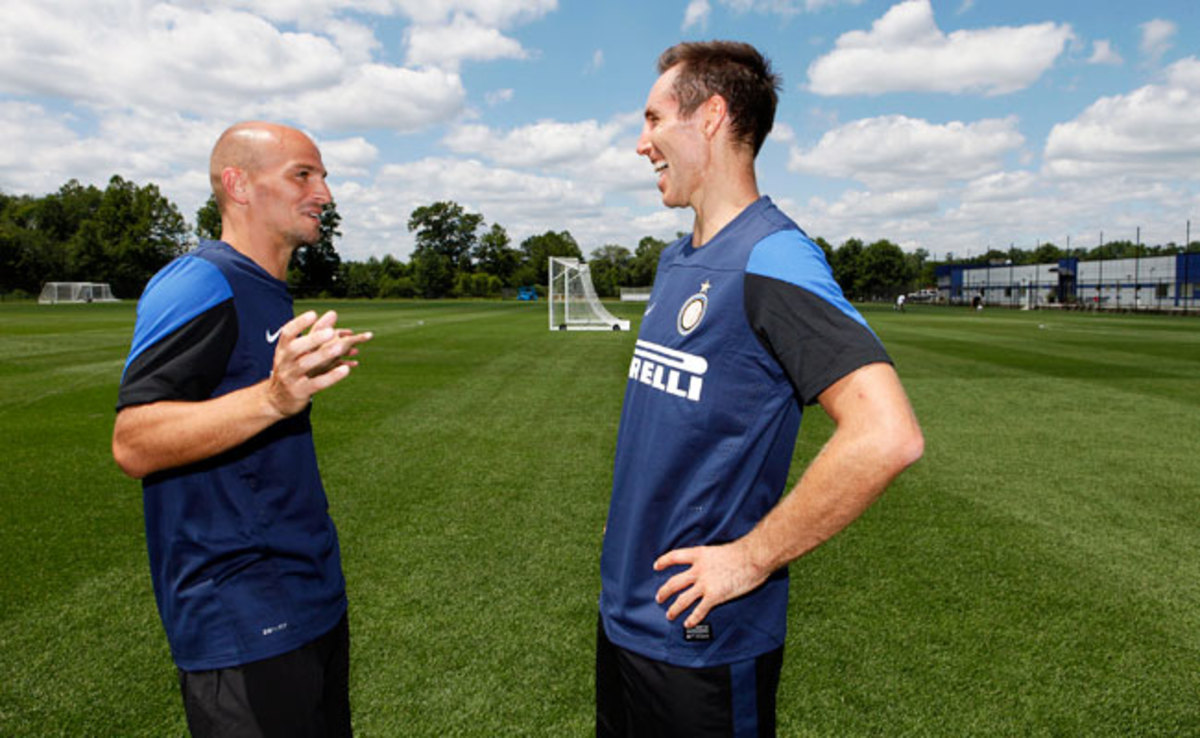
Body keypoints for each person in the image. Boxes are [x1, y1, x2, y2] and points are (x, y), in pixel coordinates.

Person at [597, 42, 924, 737]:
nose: (641, 142)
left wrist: (749, 558)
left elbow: (886, 434)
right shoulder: (677, 258)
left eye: (654, 119)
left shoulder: (772, 256)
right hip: (627, 622)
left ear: (711, 116)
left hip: (701, 644)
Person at [112, 121, 372, 737]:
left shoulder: (269, 290)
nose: (324, 194)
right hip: (241, 614)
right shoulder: (201, 280)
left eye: (324, 177)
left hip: (308, 596)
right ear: (238, 184)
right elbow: (134, 441)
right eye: (303, 175)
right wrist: (274, 397)